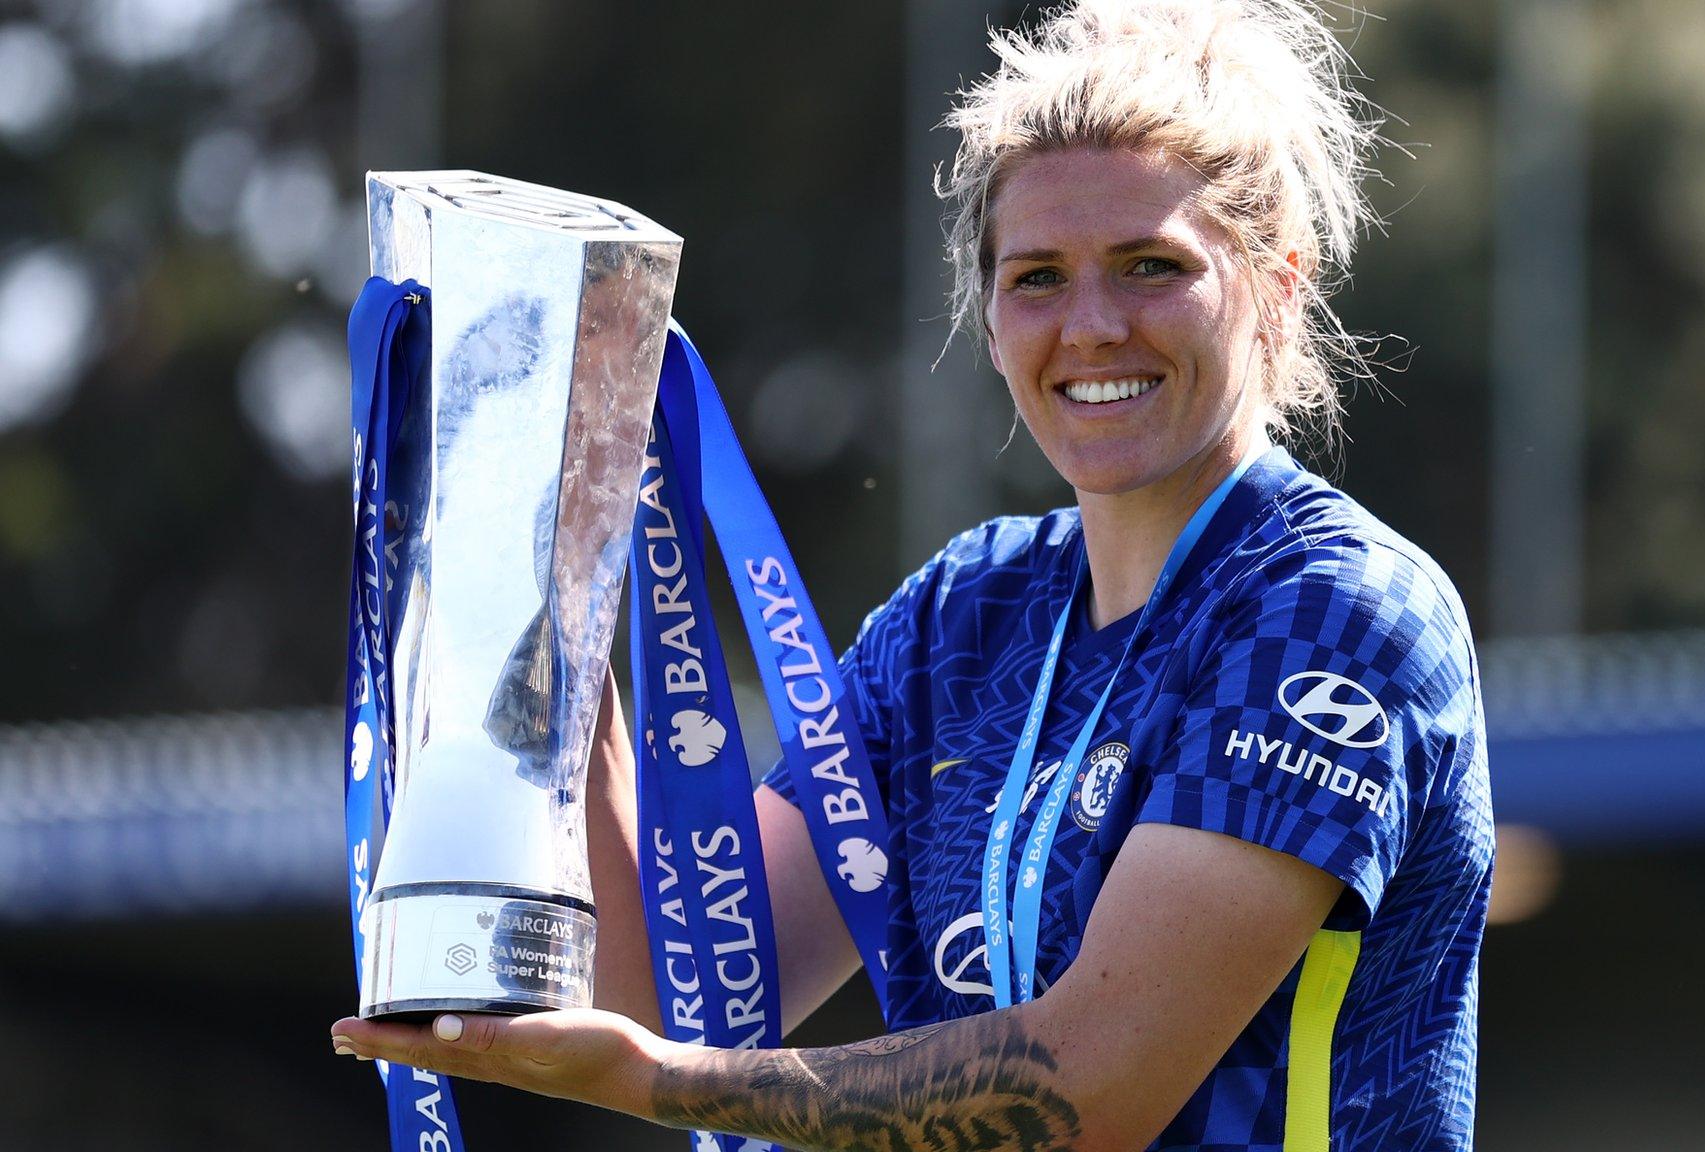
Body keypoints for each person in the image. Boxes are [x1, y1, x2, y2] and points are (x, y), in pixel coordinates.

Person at [333, 2, 1493, 1149]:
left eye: (1150, 267)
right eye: (1035, 276)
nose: (1089, 327)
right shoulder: (963, 616)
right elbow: (689, 990)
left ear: (1276, 288)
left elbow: (1090, 1086)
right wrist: (551, 558)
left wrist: (660, 1085)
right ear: (987, 320)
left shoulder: (1334, 612)